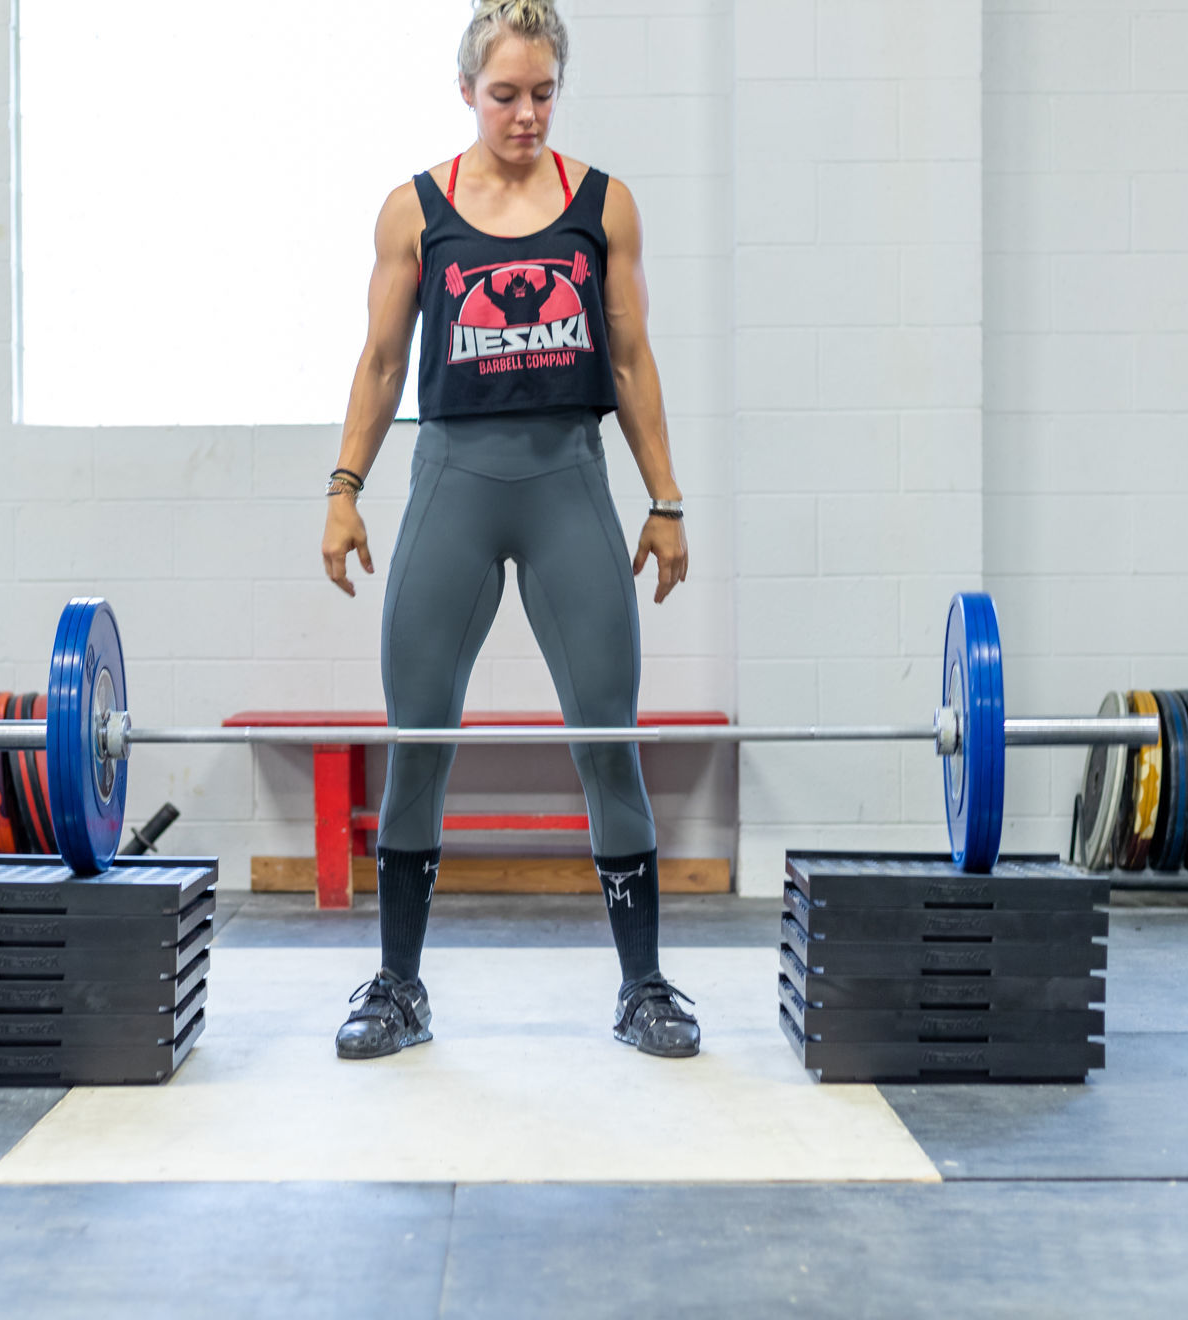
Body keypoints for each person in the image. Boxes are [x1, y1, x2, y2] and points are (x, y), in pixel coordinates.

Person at [320, 0, 695, 1061]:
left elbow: (631, 359)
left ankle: (643, 988)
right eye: (504, 95)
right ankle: (399, 989)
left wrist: (666, 500)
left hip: (569, 482)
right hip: (453, 484)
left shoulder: (606, 205)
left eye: (542, 94)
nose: (525, 115)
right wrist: (345, 487)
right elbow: (382, 362)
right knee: (419, 743)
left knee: (607, 741)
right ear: (466, 91)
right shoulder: (414, 210)